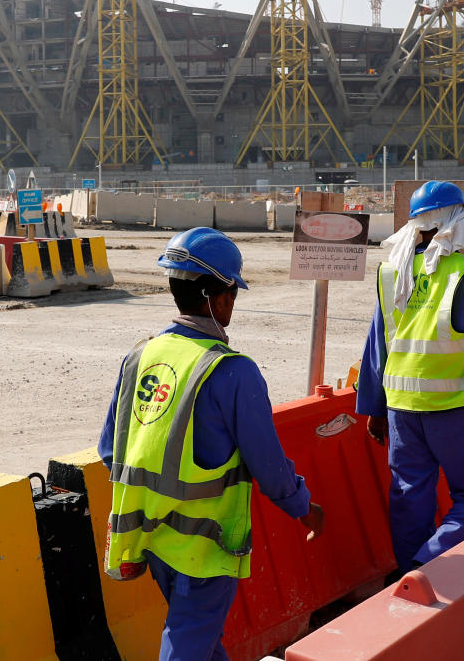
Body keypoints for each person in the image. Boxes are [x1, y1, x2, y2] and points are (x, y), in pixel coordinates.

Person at [98, 227, 324, 660]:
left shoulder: (141, 355)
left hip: (151, 536)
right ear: (216, 298)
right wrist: (304, 507)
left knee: (199, 639)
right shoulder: (233, 373)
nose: (232, 303)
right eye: (232, 293)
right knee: (188, 641)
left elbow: (111, 449)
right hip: (204, 544)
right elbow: (270, 467)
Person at [354, 181, 464, 574]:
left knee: (409, 498)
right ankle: (425, 566)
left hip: (401, 411)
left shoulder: (390, 272)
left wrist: (374, 410)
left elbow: (376, 347)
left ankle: (406, 582)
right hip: (455, 412)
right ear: (454, 221)